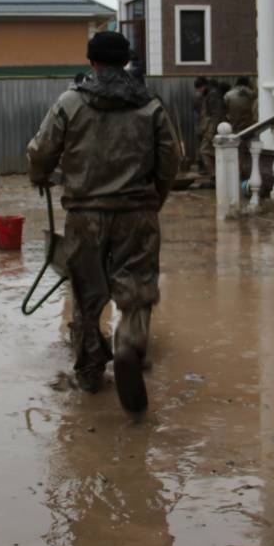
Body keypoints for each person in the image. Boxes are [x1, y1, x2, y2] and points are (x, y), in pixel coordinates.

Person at [27, 31, 179, 412]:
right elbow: (172, 159)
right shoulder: (150, 105)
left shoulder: (70, 103)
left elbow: (40, 150)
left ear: (91, 61)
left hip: (85, 215)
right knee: (137, 289)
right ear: (126, 60)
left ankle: (91, 371)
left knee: (87, 294)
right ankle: (128, 343)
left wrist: (39, 175)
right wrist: (151, 201)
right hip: (137, 213)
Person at [194, 76, 225, 184]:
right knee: (211, 152)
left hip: (212, 129)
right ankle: (216, 176)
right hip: (211, 128)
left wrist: (210, 132)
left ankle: (215, 176)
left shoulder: (212, 95)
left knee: (205, 151)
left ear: (204, 86)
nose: (198, 91)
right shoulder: (211, 94)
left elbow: (216, 115)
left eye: (199, 88)